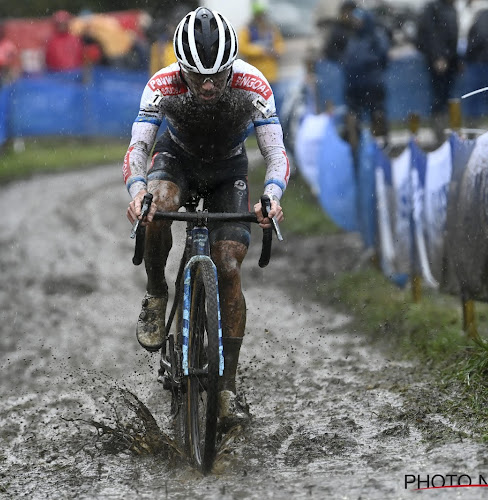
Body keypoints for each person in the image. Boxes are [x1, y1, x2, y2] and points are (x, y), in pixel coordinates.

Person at [124, 7, 288, 425]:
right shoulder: (161, 84)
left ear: (233, 63)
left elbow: (275, 153)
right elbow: (138, 149)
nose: (210, 85)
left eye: (219, 74)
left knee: (229, 263)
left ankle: (227, 389)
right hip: (176, 158)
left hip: (227, 169)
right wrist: (137, 190)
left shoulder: (253, 85)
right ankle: (157, 291)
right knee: (156, 207)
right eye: (198, 77)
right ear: (181, 67)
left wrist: (271, 195)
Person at [324, 1, 390, 148]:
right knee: (354, 119)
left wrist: (371, 72)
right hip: (355, 87)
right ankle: (357, 148)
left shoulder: (375, 36)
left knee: (377, 115)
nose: (356, 23)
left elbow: (383, 58)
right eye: (355, 20)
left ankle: (382, 148)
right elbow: (343, 58)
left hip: (373, 84)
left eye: (359, 20)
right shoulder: (352, 39)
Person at [416, 0, 459, 144]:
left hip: (450, 60)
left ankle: (450, 131)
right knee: (439, 97)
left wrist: (454, 59)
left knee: (448, 96)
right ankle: (440, 133)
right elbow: (430, 35)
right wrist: (437, 56)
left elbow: (453, 37)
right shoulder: (433, 8)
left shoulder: (451, 8)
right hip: (439, 61)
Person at [237, 1, 285, 84]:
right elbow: (242, 47)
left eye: (263, 15)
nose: (261, 18)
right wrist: (261, 51)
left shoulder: (271, 28)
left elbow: (280, 44)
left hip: (272, 75)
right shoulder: (247, 29)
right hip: (255, 76)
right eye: (259, 16)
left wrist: (276, 51)